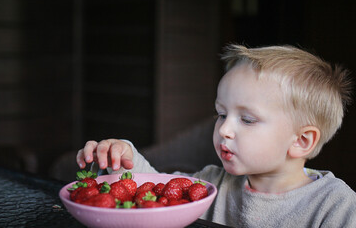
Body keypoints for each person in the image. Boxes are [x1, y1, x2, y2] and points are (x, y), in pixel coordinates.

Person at [76, 44, 356, 227]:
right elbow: (155, 194)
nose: (223, 129)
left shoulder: (335, 206)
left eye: (246, 119)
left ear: (301, 141)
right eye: (221, 114)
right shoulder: (211, 183)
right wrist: (124, 155)